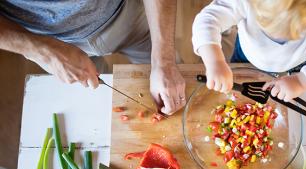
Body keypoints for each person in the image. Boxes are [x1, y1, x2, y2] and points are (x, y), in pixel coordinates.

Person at [0, 0, 185, 115]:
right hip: (47, 40)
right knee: (97, 106)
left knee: (175, 85)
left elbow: (166, 64)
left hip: (123, 14)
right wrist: (44, 51)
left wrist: (164, 61)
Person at [192, 0, 306, 102]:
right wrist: (215, 62)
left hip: (297, 65)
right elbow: (208, 19)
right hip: (247, 56)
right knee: (238, 97)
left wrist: (302, 81)